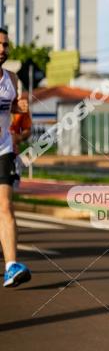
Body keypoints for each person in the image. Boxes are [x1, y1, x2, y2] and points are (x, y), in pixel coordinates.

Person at [0, 27, 32, 287]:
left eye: (5, 45)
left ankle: (11, 267)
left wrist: (16, 107)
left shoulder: (11, 79)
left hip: (3, 149)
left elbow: (7, 106)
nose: (3, 49)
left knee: (5, 206)